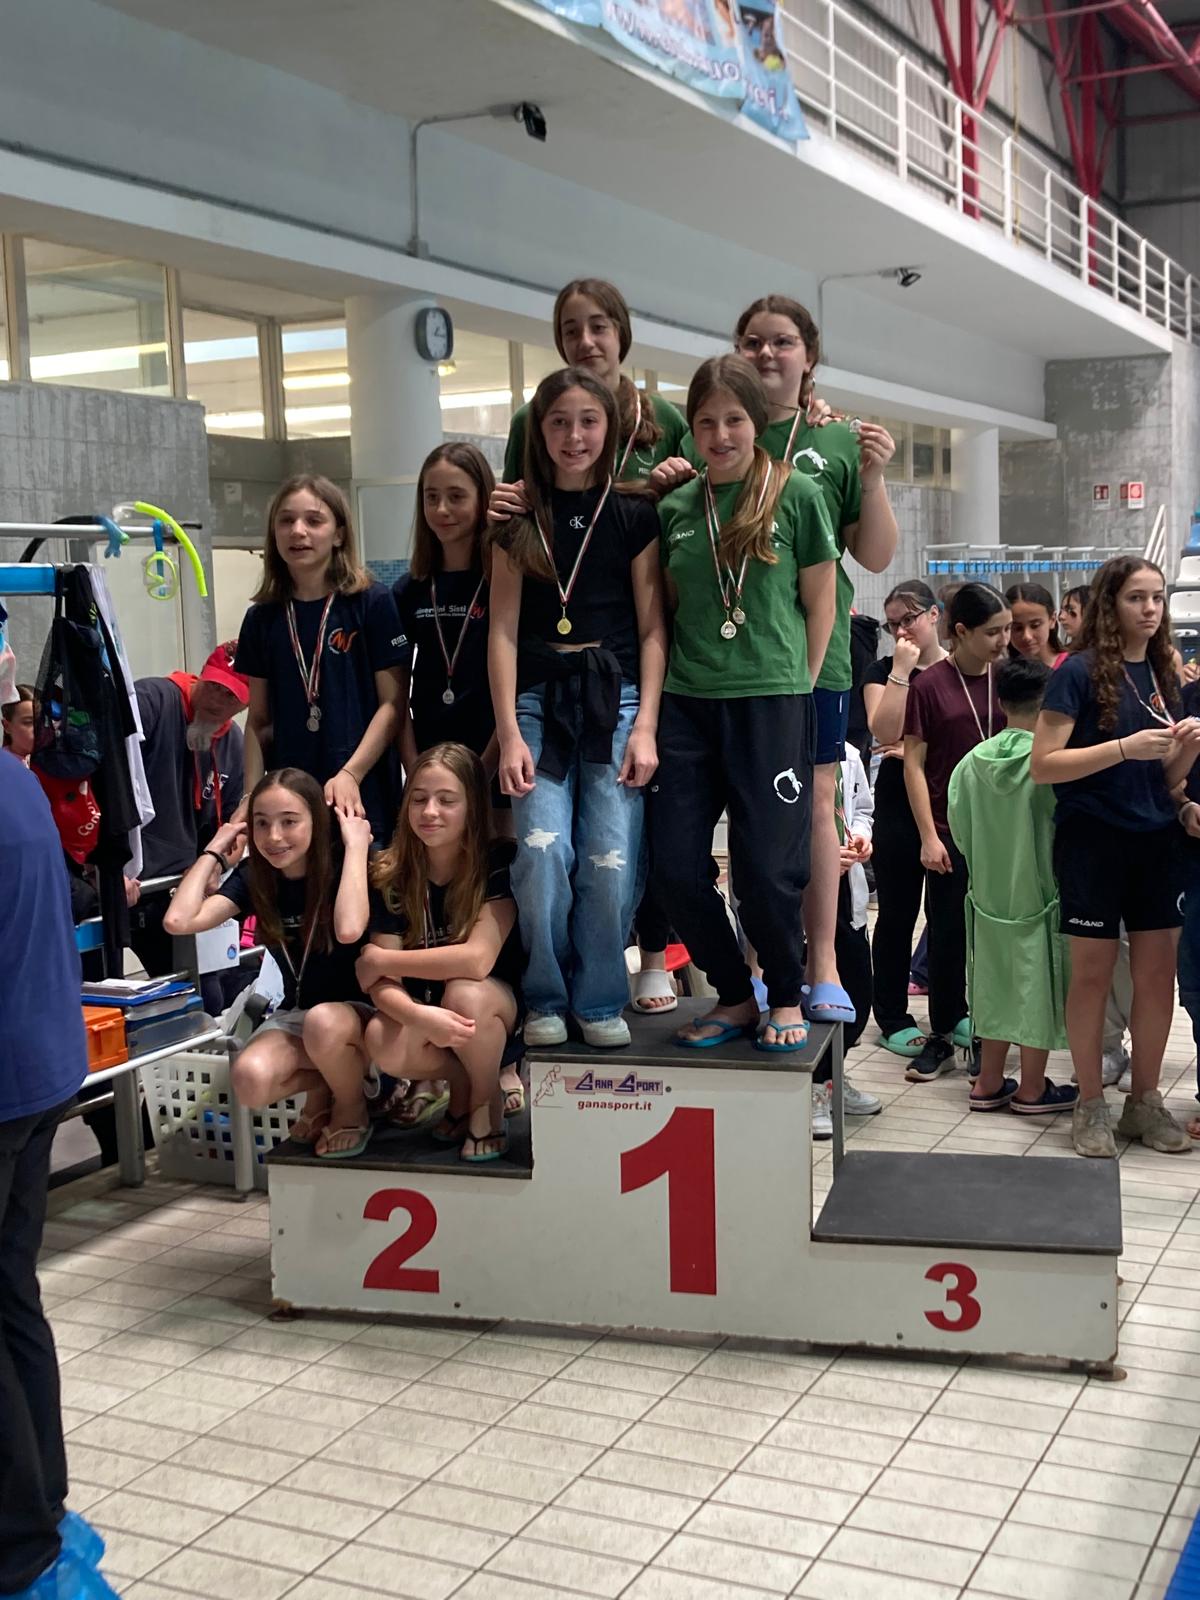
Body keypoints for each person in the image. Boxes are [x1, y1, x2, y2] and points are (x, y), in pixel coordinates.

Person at [653, 355, 837, 1051]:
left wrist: (798, 683)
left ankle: (783, 993)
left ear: (756, 422)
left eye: (734, 419)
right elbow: (673, 607)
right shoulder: (676, 508)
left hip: (773, 703)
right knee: (674, 867)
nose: (720, 434)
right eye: (705, 422)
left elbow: (821, 603)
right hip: (688, 704)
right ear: (691, 430)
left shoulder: (798, 495)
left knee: (765, 870)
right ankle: (733, 995)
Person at [488, 366, 667, 1049]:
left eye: (588, 421)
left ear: (609, 429)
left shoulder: (634, 514)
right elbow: (502, 632)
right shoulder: (516, 518)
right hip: (537, 703)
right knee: (541, 852)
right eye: (559, 422)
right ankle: (545, 993)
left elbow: (653, 630)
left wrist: (645, 726)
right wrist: (508, 732)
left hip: (616, 701)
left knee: (610, 858)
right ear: (539, 432)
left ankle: (599, 997)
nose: (574, 436)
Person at [0, 756, 120, 1600]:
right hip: (41, 1067)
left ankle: (20, 1550)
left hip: (10, 1080)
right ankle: (43, 1511)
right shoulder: (12, 775)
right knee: (12, 1294)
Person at [1033, 555, 1200, 1158]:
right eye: (1136, 598)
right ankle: (1090, 1103)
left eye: (1157, 597)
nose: (1150, 609)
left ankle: (1144, 1101)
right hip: (1092, 841)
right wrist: (1123, 748)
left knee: (1157, 979)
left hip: (1156, 842)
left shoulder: (1164, 672)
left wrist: (1185, 752)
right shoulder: (1076, 672)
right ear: (1110, 603)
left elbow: (1165, 780)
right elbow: (1043, 764)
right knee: (1093, 975)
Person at [163, 768, 376, 1155]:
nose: (274, 837)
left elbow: (348, 930)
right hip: (300, 1015)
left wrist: (357, 848)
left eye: (289, 822)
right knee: (250, 1079)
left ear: (317, 820)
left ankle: (351, 1107)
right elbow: (178, 921)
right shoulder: (256, 876)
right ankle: (326, 1084)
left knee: (322, 1023)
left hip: (360, 1017)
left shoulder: (345, 860)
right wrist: (215, 849)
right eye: (261, 823)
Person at [343, 744, 524, 1162]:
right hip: (430, 1012)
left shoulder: (498, 861)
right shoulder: (391, 872)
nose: (430, 812)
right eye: (419, 799)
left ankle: (485, 1101)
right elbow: (380, 985)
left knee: (465, 992)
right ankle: (462, 1083)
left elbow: (476, 960)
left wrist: (383, 960)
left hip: (496, 1011)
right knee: (381, 1038)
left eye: (447, 800)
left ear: (472, 807)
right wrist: (417, 1015)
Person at [235, 474, 408, 845]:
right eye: (286, 520)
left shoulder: (372, 603)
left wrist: (351, 773)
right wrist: (250, 796)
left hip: (361, 791)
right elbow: (258, 722)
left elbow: (393, 706)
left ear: (339, 534)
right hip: (289, 800)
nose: (298, 531)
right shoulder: (261, 618)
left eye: (313, 520)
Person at [948, 657, 1077, 1115]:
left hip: (987, 895)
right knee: (1035, 985)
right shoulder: (1049, 765)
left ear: (1000, 703)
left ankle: (987, 1082)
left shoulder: (969, 764)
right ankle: (1032, 1087)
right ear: (1049, 705)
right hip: (1040, 894)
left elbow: (959, 833)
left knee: (992, 984)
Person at [903, 583, 1011, 1081]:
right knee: (946, 936)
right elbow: (913, 764)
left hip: (1003, 833)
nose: (1004, 641)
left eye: (1007, 629)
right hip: (950, 831)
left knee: (994, 940)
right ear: (961, 631)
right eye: (993, 632)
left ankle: (989, 1034)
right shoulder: (930, 685)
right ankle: (943, 1035)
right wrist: (928, 836)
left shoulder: (1007, 678)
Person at [124, 644, 247, 988]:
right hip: (126, 878)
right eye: (214, 686)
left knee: (208, 992)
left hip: (177, 888)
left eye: (231, 696)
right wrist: (107, 863)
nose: (218, 700)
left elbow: (235, 829)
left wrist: (214, 865)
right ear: (201, 675)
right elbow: (101, 782)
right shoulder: (152, 700)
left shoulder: (233, 742)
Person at [863, 581, 946, 1057]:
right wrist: (900, 671)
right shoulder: (882, 670)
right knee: (897, 914)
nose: (900, 632)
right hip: (897, 804)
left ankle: (951, 1010)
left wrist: (915, 749)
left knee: (948, 916)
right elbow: (885, 729)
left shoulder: (958, 670)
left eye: (908, 619)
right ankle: (892, 1014)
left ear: (934, 614)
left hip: (948, 803)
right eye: (892, 624)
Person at [812, 740, 882, 1137]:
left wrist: (860, 837)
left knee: (857, 995)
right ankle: (812, 1086)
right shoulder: (786, 744)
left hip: (847, 897)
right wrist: (820, 851)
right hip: (804, 895)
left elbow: (864, 811)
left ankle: (832, 1076)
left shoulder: (850, 755)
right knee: (811, 998)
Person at [1006, 582, 1062, 669]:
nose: (1027, 636)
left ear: (1052, 620)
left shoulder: (1073, 668)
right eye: (1018, 628)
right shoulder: (1001, 672)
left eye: (1035, 626)